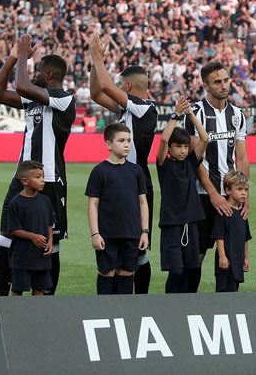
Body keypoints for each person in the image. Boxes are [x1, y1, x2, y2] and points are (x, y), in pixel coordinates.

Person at [0, 35, 75, 296]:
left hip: (49, 179)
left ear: (48, 75)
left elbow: (22, 85)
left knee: (52, 241)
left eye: (38, 70)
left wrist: (22, 56)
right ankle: (2, 296)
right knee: (6, 234)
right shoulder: (34, 99)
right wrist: (13, 57)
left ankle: (46, 299)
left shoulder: (64, 98)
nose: (34, 73)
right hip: (21, 177)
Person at [89, 33, 158, 294]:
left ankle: (139, 300)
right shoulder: (130, 109)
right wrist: (93, 62)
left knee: (139, 250)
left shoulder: (145, 108)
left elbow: (106, 87)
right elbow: (96, 93)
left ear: (127, 87)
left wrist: (98, 57)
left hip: (136, 183)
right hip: (121, 180)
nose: (117, 87)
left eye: (120, 84)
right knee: (119, 246)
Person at [186, 61, 250, 292]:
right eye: (217, 82)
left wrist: (244, 195)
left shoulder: (237, 115)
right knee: (197, 254)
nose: (224, 85)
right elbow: (194, 159)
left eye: (225, 80)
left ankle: (225, 304)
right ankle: (189, 303)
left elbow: (241, 158)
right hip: (204, 195)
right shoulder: (196, 113)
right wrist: (213, 193)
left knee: (231, 255)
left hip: (231, 197)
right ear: (205, 85)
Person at [86, 123, 150, 295]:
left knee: (127, 273)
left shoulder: (136, 171)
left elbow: (143, 203)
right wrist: (95, 234)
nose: (127, 144)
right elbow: (93, 204)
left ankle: (125, 311)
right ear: (109, 144)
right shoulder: (99, 171)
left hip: (131, 234)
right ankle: (104, 309)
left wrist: (144, 231)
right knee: (106, 273)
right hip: (107, 235)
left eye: (128, 140)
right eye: (121, 141)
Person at [156, 97, 208, 293]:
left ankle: (183, 305)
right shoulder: (164, 165)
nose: (183, 150)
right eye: (178, 146)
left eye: (185, 146)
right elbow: (163, 139)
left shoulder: (190, 163)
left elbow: (204, 138)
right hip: (171, 223)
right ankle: (170, 303)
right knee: (176, 271)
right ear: (170, 148)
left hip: (191, 221)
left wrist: (191, 114)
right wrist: (176, 114)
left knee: (190, 269)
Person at [6, 161, 55, 297]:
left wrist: (50, 241)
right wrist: (33, 236)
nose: (42, 180)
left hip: (41, 256)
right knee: (17, 290)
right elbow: (13, 229)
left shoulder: (45, 200)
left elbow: (50, 223)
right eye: (38, 177)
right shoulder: (16, 202)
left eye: (43, 177)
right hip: (22, 257)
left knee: (39, 289)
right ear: (25, 181)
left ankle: (37, 311)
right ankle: (14, 311)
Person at [212, 171, 252, 293]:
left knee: (234, 291)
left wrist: (246, 257)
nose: (244, 193)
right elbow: (219, 237)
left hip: (238, 261)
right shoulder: (224, 212)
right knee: (224, 293)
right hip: (226, 263)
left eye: (246, 190)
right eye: (239, 189)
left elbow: (245, 238)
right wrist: (222, 256)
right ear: (228, 190)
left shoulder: (242, 213)